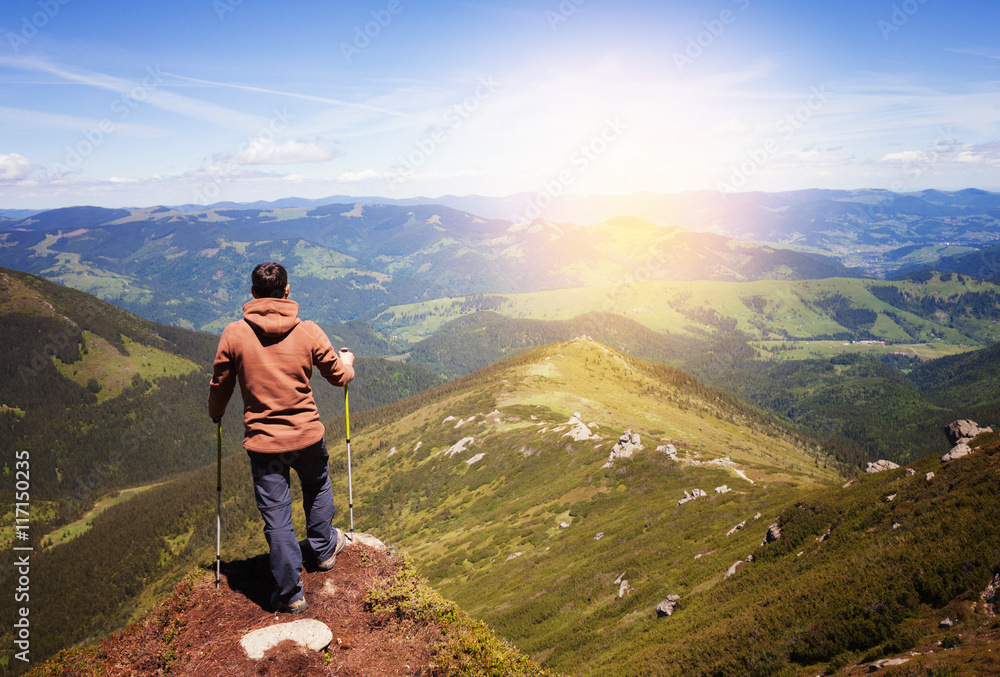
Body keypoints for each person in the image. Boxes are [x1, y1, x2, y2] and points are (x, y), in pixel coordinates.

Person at [208, 261, 355, 614]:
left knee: (276, 515)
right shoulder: (308, 331)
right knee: (317, 487)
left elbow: (220, 386)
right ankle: (322, 551)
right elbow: (338, 376)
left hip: (264, 444)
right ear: (287, 292)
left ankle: (290, 593)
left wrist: (215, 414)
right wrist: (348, 361)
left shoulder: (234, 335)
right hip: (306, 436)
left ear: (253, 293)